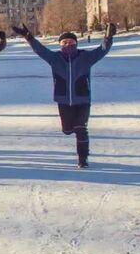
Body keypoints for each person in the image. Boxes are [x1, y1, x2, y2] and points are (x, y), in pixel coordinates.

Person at [12, 22, 115, 168]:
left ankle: (83, 159)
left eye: (71, 42)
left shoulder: (85, 57)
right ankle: (72, 132)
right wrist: (28, 37)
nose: (68, 45)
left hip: (82, 99)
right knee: (67, 130)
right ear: (60, 44)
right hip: (63, 100)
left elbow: (102, 51)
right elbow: (40, 50)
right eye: (64, 42)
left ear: (76, 44)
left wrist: (108, 37)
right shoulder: (55, 58)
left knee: (81, 129)